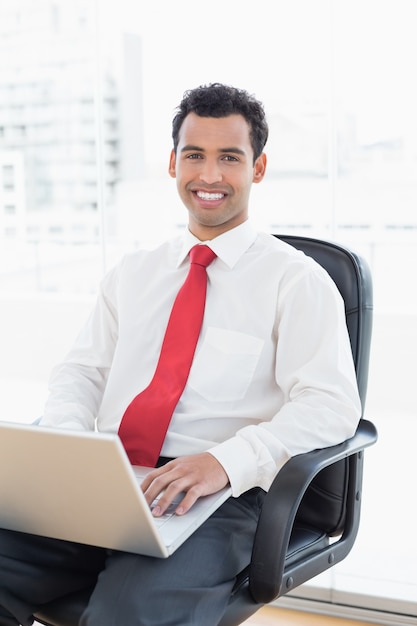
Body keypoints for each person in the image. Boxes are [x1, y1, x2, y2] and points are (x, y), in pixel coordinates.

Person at [0, 83, 361, 626]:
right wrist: (70, 447)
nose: (209, 175)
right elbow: (81, 372)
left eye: (229, 158)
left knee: (127, 614)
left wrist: (223, 461)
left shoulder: (298, 282)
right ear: (173, 163)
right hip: (113, 476)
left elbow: (330, 406)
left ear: (258, 168)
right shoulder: (135, 272)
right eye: (195, 155)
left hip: (221, 495)